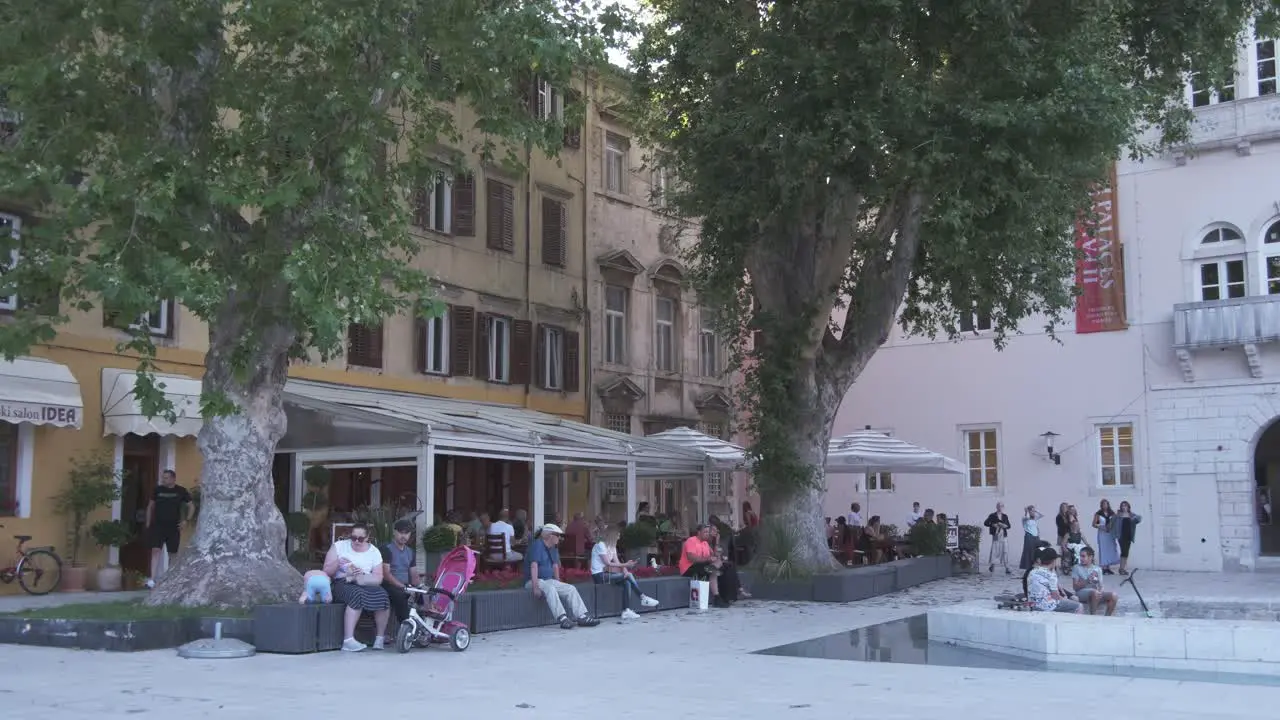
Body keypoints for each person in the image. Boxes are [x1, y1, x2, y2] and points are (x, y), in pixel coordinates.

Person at [323, 522, 392, 652]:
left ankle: (379, 637)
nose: (356, 541)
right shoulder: (339, 547)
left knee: (383, 595)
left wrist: (360, 577)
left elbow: (378, 577)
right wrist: (339, 563)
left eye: (360, 539)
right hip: (342, 581)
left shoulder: (374, 551)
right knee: (356, 595)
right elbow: (326, 571)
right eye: (353, 538)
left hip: (364, 580)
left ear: (367, 538)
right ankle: (348, 640)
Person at [526, 523, 599, 629]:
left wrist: (558, 582)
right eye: (558, 535)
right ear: (550, 536)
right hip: (533, 580)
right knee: (550, 588)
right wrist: (535, 587)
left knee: (570, 588)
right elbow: (534, 566)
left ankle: (582, 616)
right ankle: (563, 619)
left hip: (548, 580)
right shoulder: (537, 545)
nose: (560, 538)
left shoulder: (553, 548)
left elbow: (555, 566)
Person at [591, 525, 659, 619]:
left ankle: (626, 611)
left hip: (606, 574)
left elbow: (618, 563)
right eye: (618, 534)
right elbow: (608, 563)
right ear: (613, 535)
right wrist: (626, 565)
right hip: (598, 576)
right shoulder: (600, 545)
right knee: (628, 576)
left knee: (627, 581)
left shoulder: (612, 546)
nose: (619, 536)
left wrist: (625, 569)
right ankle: (643, 598)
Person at [145, 469, 192, 589]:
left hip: (173, 527)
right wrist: (148, 523)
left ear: (173, 479)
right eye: (163, 477)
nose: (163, 480)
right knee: (156, 550)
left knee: (172, 553)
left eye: (166, 478)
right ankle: (151, 579)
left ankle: (170, 579)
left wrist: (186, 520)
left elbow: (191, 506)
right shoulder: (157, 490)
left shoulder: (181, 491)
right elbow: (150, 506)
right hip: (158, 526)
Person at [380, 519, 421, 631]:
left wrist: (419, 588)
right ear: (394, 532)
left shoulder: (410, 552)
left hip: (405, 585)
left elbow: (413, 574)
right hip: (388, 585)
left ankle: (424, 631)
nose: (404, 536)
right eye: (401, 532)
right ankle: (407, 630)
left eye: (407, 533)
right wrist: (403, 587)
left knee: (424, 596)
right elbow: (386, 574)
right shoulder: (386, 549)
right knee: (401, 596)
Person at [680, 524, 729, 608]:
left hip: (703, 566)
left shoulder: (705, 543)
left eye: (708, 532)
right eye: (705, 532)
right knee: (714, 570)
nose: (707, 534)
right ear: (699, 532)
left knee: (727, 566)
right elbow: (691, 558)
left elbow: (715, 555)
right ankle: (717, 598)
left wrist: (717, 542)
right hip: (689, 568)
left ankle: (725, 597)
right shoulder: (691, 541)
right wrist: (708, 559)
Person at [1026, 546, 1082, 613]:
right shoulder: (1051, 575)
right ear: (1053, 561)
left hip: (1033, 605)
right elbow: (1055, 596)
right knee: (1079, 606)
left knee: (1068, 603)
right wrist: (1064, 599)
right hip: (1047, 606)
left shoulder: (1032, 571)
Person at [1071, 547, 1117, 616]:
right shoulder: (1076, 568)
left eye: (1083, 556)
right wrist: (1087, 581)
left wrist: (1101, 591)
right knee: (1094, 592)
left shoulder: (1097, 569)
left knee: (1114, 595)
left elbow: (1101, 585)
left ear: (1090, 557)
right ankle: (1093, 616)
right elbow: (1075, 587)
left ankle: (1107, 617)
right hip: (1081, 592)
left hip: (1096, 593)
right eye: (1080, 556)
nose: (1081, 558)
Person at [1114, 501, 1142, 575]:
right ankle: (1121, 569)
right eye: (1122, 506)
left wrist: (1133, 518)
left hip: (1129, 535)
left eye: (1125, 506)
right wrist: (1116, 534)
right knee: (1124, 552)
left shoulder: (1131, 515)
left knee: (1126, 553)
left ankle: (1122, 569)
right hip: (1121, 536)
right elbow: (1113, 522)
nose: (1124, 507)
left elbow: (1139, 519)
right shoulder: (1119, 515)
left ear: (1128, 507)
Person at [983, 502, 1012, 575]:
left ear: (1003, 507)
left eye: (1002, 506)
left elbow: (1009, 526)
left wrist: (1004, 525)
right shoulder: (992, 515)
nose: (1000, 507)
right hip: (996, 535)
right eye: (999, 506)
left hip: (1004, 535)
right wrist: (993, 525)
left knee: (1005, 551)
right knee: (995, 550)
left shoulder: (1005, 516)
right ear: (996, 507)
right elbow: (986, 523)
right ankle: (992, 565)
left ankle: (1007, 567)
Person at [1093, 499, 1119, 574]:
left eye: (1106, 504)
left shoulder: (1112, 513)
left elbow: (1115, 522)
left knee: (1110, 549)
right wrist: (1101, 527)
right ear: (1101, 505)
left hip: (1110, 533)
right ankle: (1103, 567)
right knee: (1103, 549)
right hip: (1102, 533)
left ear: (1108, 505)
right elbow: (1094, 524)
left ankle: (1108, 567)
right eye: (1103, 504)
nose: (1105, 505)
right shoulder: (1098, 513)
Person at [1019, 505, 1044, 571]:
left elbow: (1041, 515)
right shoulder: (1024, 518)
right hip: (1029, 536)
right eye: (1032, 511)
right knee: (1029, 552)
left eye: (1033, 511)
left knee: (1037, 551)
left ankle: (1036, 564)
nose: (1033, 512)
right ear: (1029, 511)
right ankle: (1028, 566)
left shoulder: (1034, 519)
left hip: (1036, 536)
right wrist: (1027, 511)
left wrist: (1036, 511)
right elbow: (1027, 517)